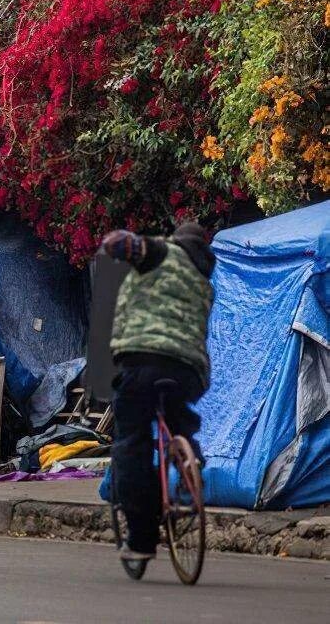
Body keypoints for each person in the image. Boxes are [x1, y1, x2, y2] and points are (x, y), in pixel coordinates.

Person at [99, 222, 215, 564]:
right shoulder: (204, 280)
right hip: (190, 371)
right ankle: (187, 453)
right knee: (178, 416)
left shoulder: (162, 252)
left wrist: (117, 243)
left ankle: (142, 538)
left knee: (131, 443)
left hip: (145, 360)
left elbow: (119, 244)